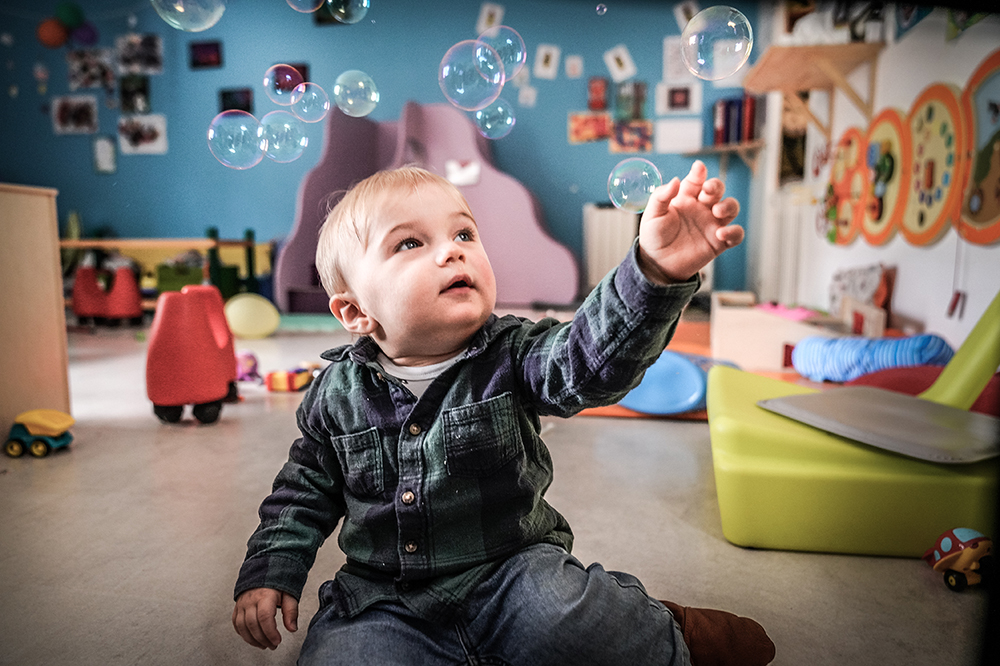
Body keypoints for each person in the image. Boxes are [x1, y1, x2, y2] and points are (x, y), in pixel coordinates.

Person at [232, 163, 775, 666]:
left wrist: (653, 272)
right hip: (383, 597)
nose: (453, 252)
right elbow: (302, 492)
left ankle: (668, 632)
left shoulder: (512, 353)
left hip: (514, 573)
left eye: (463, 234)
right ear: (355, 311)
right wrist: (271, 569)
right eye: (410, 243)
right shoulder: (334, 395)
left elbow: (587, 361)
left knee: (567, 622)